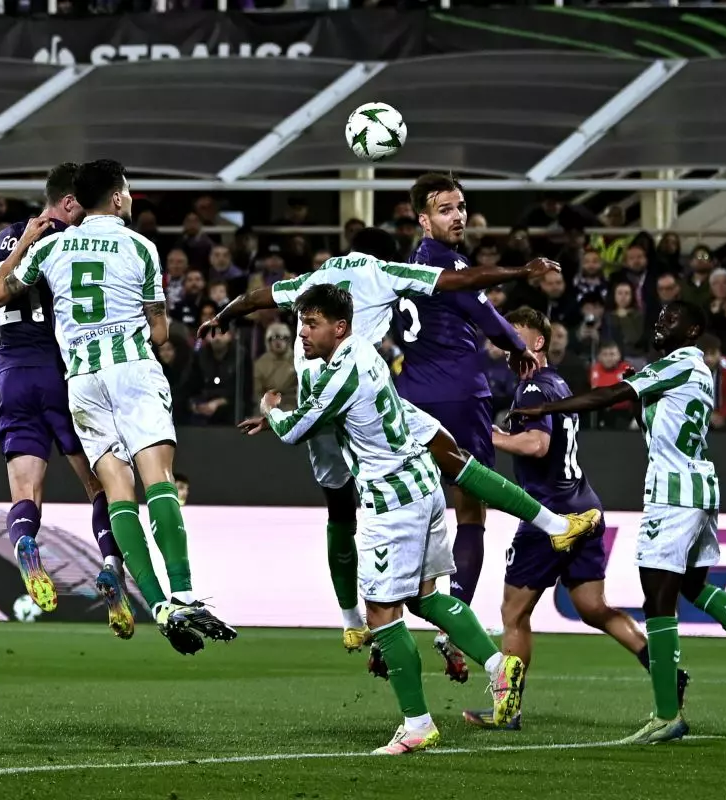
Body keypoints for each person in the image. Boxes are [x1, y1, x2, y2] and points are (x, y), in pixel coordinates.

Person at [199, 224, 585, 655]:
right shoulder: (382, 272)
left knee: (339, 509)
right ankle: (554, 525)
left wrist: (222, 317)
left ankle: (351, 621)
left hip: (318, 402)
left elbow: (257, 297)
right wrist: (520, 271)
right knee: (453, 458)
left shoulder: (314, 280)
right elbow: (459, 280)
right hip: (359, 395)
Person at [251, 284, 528, 754]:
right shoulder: (363, 352)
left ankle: (418, 724)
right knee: (424, 598)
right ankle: (499, 666)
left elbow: (297, 431)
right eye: (301, 323)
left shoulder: (341, 372)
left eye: (312, 324)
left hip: (391, 499)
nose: (302, 333)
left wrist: (271, 411)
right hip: (422, 483)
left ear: (340, 327)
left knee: (381, 611)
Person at [510, 301, 726, 744]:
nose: (661, 322)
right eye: (659, 317)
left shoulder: (676, 364)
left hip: (673, 493)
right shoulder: (697, 370)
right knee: (693, 586)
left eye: (672, 318)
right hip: (701, 487)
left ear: (693, 330)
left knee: (658, 601)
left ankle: (666, 715)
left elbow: (609, 395)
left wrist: (545, 408)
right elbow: (651, 419)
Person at [0, 159, 234, 655]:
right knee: (157, 479)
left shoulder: (50, 247)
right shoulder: (141, 247)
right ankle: (184, 594)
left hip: (81, 381)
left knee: (118, 490)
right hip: (131, 371)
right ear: (117, 198)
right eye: (129, 190)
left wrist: (25, 243)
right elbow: (160, 333)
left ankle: (157, 604)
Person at [464, 308, 688, 730]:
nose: (506, 342)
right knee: (592, 607)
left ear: (538, 343)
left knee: (513, 613)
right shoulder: (558, 383)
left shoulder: (533, 387)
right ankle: (664, 670)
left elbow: (537, 444)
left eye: (515, 334)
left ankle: (507, 709)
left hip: (550, 514)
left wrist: (489, 437)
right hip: (585, 504)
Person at [394, 171, 549, 679]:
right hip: (460, 396)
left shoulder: (405, 266)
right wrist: (520, 347)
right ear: (423, 219)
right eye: (445, 209)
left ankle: (387, 620)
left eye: (461, 206)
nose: (457, 216)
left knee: (411, 510)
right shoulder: (450, 264)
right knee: (471, 511)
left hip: (410, 397)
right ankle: (454, 619)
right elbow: (489, 319)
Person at [0, 164, 132, 640]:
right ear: (68, 202)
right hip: (61, 374)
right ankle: (111, 568)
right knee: (101, 483)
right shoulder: (73, 241)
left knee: (25, 491)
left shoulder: (8, 236)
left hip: (12, 376)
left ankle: (26, 542)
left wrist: (0, 354)